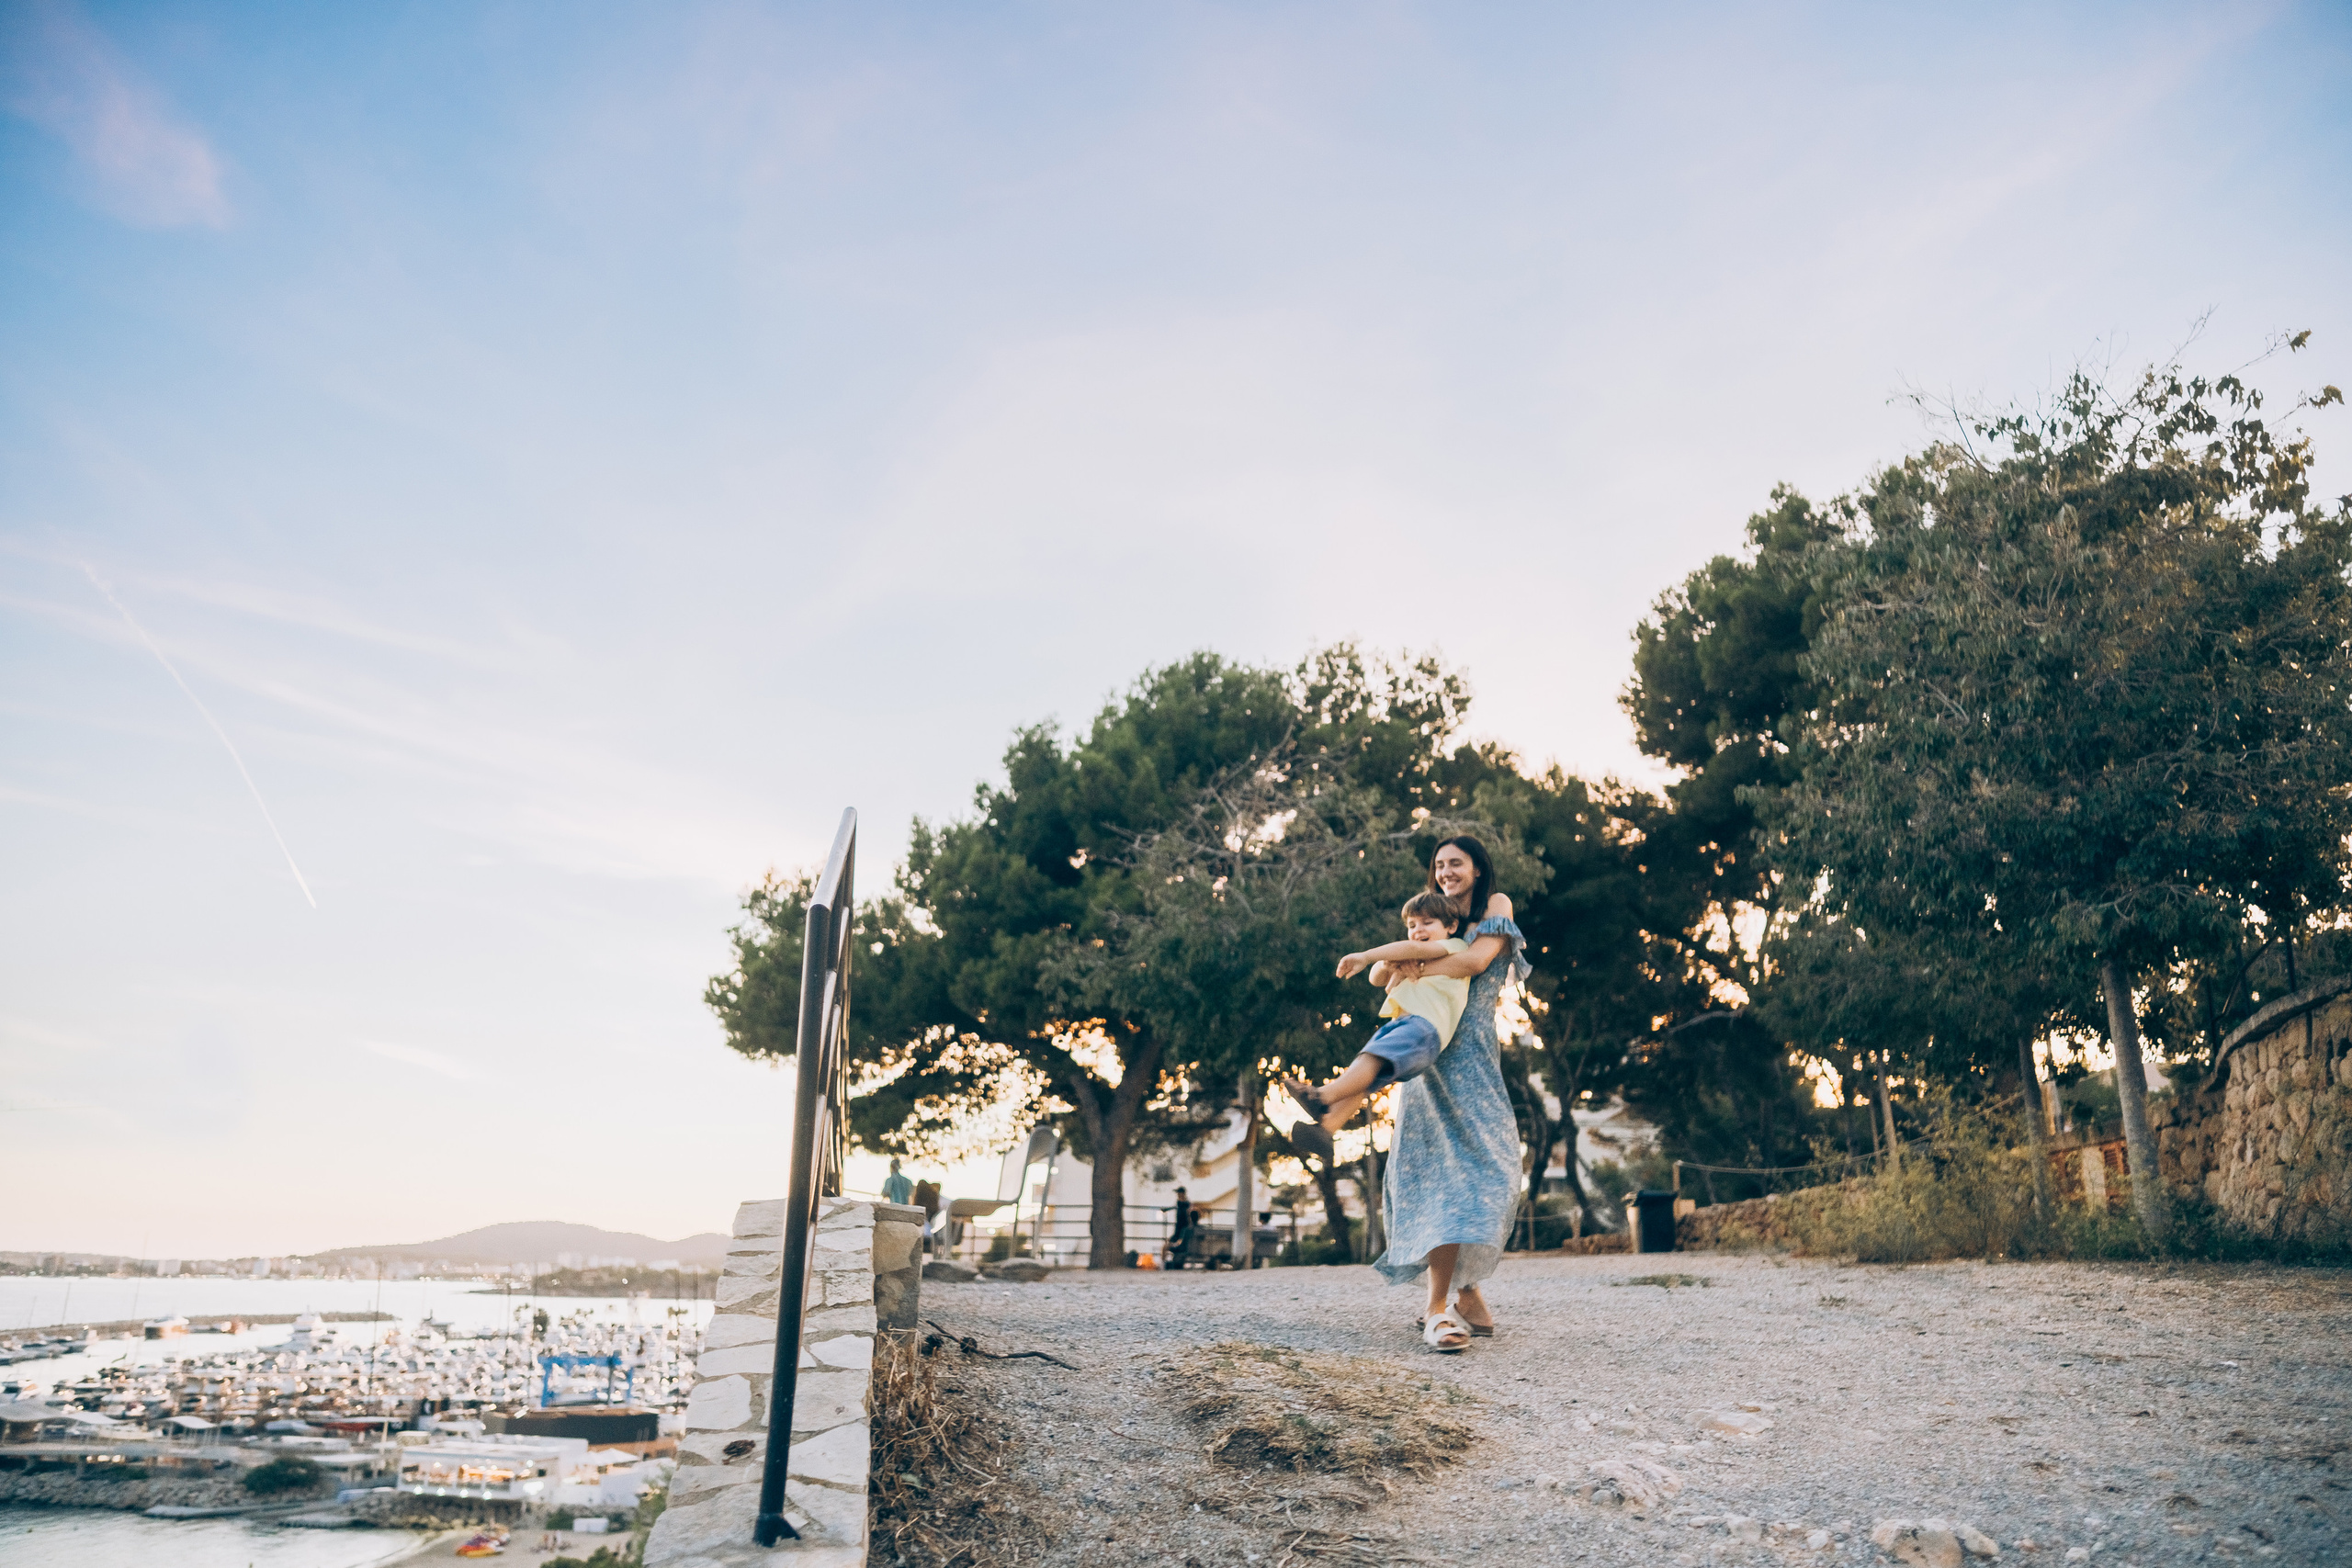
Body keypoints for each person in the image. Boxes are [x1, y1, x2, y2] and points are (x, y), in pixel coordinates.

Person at [1370, 836, 1530, 1353]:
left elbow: (1476, 962)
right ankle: (1437, 1309)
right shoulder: (1431, 921)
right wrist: (1403, 963)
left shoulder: (1495, 907)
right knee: (1441, 1177)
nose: (1446, 872)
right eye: (1439, 865)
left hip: (1474, 1058)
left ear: (1478, 868)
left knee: (1490, 1173)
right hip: (1431, 1051)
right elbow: (1383, 979)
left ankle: (1467, 1289)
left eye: (1455, 863)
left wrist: (1413, 966)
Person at [1280, 891, 1473, 1160]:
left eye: (1427, 923)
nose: (1418, 930)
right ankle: (1326, 1128)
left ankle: (1321, 1096)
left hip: (1424, 1027)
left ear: (1451, 926)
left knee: (1369, 1061)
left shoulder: (1453, 946)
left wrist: (1366, 955)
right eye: (1412, 925)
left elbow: (1413, 950)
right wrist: (1388, 962)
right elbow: (1377, 978)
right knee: (1362, 1078)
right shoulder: (1415, 957)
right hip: (1406, 1026)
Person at [1166, 1186, 1196, 1269]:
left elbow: (1188, 1217)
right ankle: (1166, 1263)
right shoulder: (1179, 1203)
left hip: (1182, 1231)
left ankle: (1165, 1264)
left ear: (1182, 1194)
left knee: (1168, 1246)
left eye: (1179, 1193)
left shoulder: (1186, 1204)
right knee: (1168, 1243)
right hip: (1178, 1230)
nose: (1178, 1195)